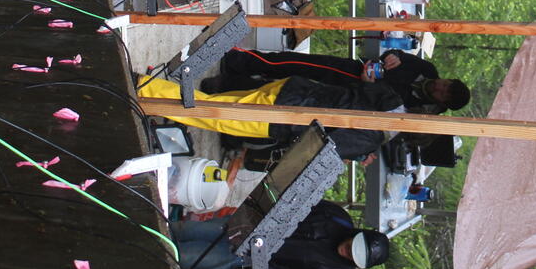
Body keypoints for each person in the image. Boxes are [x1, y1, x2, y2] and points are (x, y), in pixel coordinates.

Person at [137, 72, 403, 160]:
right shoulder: (371, 137)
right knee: (207, 112)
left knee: (215, 105)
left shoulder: (390, 99)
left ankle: (145, 90)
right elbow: (321, 144)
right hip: (283, 116)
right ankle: (143, 89)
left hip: (294, 90)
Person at [172, 200, 389, 269]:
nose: (347, 251)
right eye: (353, 246)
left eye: (353, 257)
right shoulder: (337, 216)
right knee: (185, 229)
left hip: (242, 261)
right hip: (246, 228)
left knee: (185, 256)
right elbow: (297, 199)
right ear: (359, 233)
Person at [202, 48, 471, 115]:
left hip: (347, 97)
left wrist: (368, 86)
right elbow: (397, 54)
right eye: (445, 84)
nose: (439, 87)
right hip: (351, 70)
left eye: (443, 94)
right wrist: (392, 56)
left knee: (284, 94)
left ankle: (225, 86)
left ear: (441, 103)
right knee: (292, 63)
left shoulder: (418, 110)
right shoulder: (428, 69)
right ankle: (239, 60)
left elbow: (381, 112)